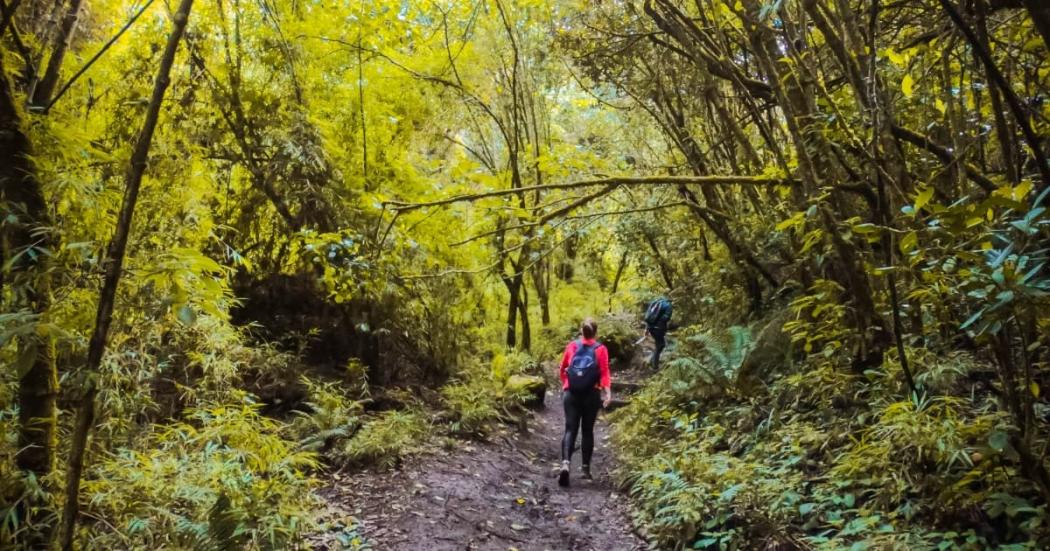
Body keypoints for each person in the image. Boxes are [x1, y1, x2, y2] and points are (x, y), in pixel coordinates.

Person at [558, 318, 611, 487]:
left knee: (570, 428)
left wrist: (566, 385)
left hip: (571, 393)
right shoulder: (601, 349)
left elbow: (562, 368)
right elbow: (604, 372)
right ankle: (586, 469)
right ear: (595, 332)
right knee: (587, 430)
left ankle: (566, 463)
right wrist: (607, 392)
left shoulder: (572, 346)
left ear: (582, 331)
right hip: (591, 394)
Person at [644, 295, 672, 369]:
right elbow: (667, 317)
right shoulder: (668, 305)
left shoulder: (654, 303)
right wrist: (661, 324)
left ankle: (652, 362)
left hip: (651, 328)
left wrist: (646, 329)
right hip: (659, 328)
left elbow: (648, 316)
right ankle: (654, 365)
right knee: (660, 345)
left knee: (659, 344)